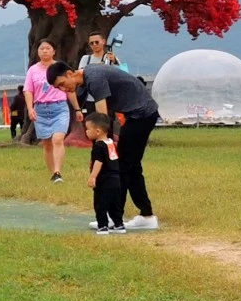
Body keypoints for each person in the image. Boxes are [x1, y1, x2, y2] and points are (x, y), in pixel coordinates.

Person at [47, 59, 161, 230]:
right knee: (130, 167)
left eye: (62, 83)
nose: (63, 89)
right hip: (138, 115)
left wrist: (102, 151)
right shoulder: (85, 79)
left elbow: (102, 121)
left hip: (142, 115)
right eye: (58, 88)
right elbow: (82, 104)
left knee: (120, 167)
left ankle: (114, 217)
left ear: (70, 74)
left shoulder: (94, 78)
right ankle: (145, 215)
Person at [26, 39, 71, 182]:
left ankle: (58, 171)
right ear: (37, 52)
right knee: (46, 144)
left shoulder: (60, 67)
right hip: (41, 109)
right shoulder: (33, 70)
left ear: (54, 51)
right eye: (41, 49)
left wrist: (77, 109)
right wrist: (30, 108)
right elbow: (28, 90)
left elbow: (70, 88)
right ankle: (53, 174)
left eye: (47, 48)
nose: (44, 51)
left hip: (59, 107)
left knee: (58, 139)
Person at [84, 113, 126, 235]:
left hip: (104, 180)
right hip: (116, 179)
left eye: (87, 129)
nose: (86, 132)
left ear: (97, 131)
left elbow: (98, 162)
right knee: (115, 204)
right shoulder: (111, 143)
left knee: (100, 203)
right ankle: (119, 224)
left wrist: (93, 177)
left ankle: (102, 226)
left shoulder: (98, 146)